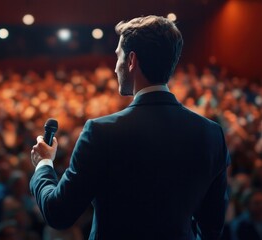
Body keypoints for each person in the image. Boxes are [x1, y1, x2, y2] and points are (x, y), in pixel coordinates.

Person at [30, 15, 230, 239]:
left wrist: (44, 164)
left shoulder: (101, 132)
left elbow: (58, 213)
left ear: (132, 60)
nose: (115, 68)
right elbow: (212, 227)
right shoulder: (211, 133)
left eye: (118, 57)